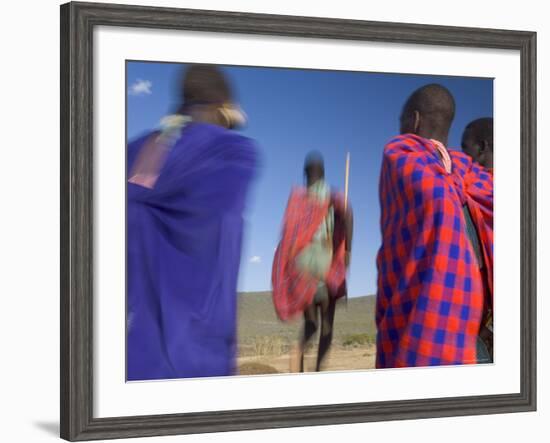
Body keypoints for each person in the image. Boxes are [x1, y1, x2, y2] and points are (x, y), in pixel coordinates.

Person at [127, 64, 258, 380]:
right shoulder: (234, 153)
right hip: (198, 361)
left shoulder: (133, 152)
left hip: (130, 357)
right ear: (221, 107)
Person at [375, 84, 493, 368]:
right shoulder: (473, 175)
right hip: (476, 340)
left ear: (413, 119)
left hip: (425, 341)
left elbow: (434, 198)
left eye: (402, 121)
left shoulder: (401, 152)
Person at [272, 152, 353, 372]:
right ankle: (317, 372)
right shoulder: (330, 195)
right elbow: (348, 215)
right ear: (324, 174)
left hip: (302, 270)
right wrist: (346, 253)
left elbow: (288, 238)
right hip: (325, 265)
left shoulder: (298, 200)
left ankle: (298, 352)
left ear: (305, 174)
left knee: (310, 324)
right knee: (327, 325)